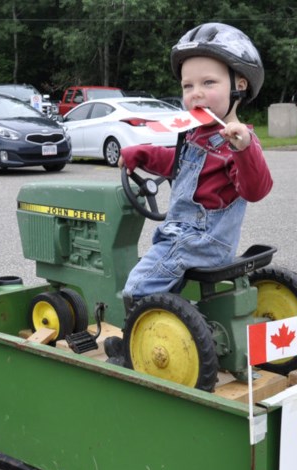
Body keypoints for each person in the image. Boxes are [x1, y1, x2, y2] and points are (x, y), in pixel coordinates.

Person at [105, 22, 273, 363]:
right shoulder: (195, 135)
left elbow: (256, 188)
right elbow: (176, 163)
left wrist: (244, 148)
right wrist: (141, 154)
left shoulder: (235, 143)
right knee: (159, 273)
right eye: (188, 85)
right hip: (187, 237)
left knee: (138, 285)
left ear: (239, 85)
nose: (196, 93)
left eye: (208, 83)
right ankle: (176, 318)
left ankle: (133, 348)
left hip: (200, 240)